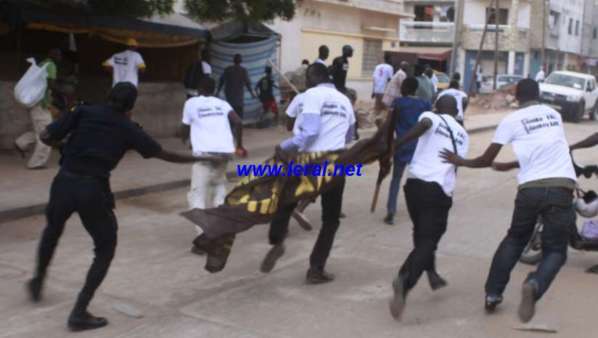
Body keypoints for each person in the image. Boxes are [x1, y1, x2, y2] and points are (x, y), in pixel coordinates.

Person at [26, 82, 213, 331]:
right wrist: (200, 157)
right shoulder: (128, 129)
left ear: (107, 96)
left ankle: (38, 279)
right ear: (131, 107)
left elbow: (46, 136)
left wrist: (70, 148)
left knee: (52, 231)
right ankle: (79, 312)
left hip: (63, 182)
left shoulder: (83, 112)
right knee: (105, 248)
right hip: (92, 189)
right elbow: (164, 154)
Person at [439, 79, 576, 323]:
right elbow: (550, 151)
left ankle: (493, 294)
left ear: (517, 97)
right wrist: (511, 165)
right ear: (539, 95)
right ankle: (535, 284)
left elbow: (484, 159)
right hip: (561, 188)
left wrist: (461, 161)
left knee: (514, 240)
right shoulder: (553, 115)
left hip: (530, 189)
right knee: (556, 250)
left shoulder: (511, 120)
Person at [260, 63, 355, 283]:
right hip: (336, 162)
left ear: (311, 79)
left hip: (308, 159)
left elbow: (310, 131)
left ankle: (277, 241)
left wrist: (286, 146)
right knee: (331, 220)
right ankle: (316, 269)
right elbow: (349, 137)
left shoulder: (311, 94)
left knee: (285, 201)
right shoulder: (345, 101)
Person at [388, 95, 469, 321]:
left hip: (414, 186)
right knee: (429, 239)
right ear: (456, 113)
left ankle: (431, 272)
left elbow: (424, 125)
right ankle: (405, 280)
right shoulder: (463, 134)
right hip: (437, 191)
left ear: (437, 107)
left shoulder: (430, 116)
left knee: (422, 233)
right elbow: (457, 164)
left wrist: (396, 143)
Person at [181, 77, 242, 254]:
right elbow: (237, 121)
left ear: (199, 88)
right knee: (218, 193)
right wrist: (239, 145)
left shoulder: (191, 102)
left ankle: (205, 239)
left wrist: (186, 140)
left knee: (196, 196)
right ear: (214, 89)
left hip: (205, 156)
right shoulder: (222, 103)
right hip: (224, 155)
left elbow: (183, 129)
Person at [384, 77, 432, 225]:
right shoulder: (424, 104)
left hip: (401, 145)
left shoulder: (398, 103)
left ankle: (391, 211)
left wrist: (388, 145)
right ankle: (420, 209)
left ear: (404, 88)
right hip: (417, 148)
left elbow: (390, 125)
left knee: (396, 179)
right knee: (417, 180)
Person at [14, 48, 62, 169]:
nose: (60, 57)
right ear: (53, 55)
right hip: (41, 105)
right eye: (58, 55)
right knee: (47, 134)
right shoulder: (51, 65)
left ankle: (21, 142)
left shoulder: (42, 64)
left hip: (36, 104)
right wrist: (62, 93)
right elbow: (51, 84)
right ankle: (36, 163)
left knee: (40, 130)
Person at [217, 54, 255, 157]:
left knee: (229, 124)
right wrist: (252, 94)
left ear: (233, 60)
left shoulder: (228, 70)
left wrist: (217, 92)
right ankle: (239, 145)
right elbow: (248, 84)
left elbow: (221, 81)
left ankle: (228, 145)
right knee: (239, 123)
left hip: (230, 101)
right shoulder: (243, 71)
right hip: (239, 101)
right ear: (240, 61)